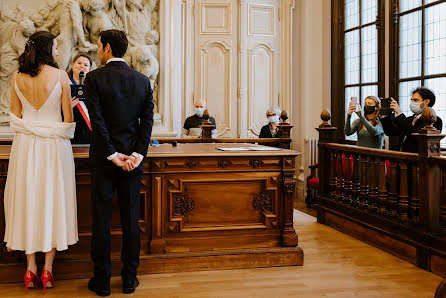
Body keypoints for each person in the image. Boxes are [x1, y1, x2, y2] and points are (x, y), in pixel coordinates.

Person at [3, 31, 77, 293]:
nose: (58, 52)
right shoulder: (61, 77)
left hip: (25, 147)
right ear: (47, 49)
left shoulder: (16, 76)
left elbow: (16, 116)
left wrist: (34, 127)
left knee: (28, 201)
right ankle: (48, 269)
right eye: (56, 47)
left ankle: (30, 268)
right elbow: (68, 121)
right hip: (54, 147)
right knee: (52, 202)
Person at [85, 29, 154, 296]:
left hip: (104, 161)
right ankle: (129, 279)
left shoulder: (94, 79)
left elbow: (97, 122)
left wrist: (112, 155)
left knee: (101, 221)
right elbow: (146, 123)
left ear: (108, 48)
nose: (98, 49)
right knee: (130, 221)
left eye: (99, 46)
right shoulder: (142, 81)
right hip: (132, 163)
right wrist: (136, 155)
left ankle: (102, 281)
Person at [380, 87, 443, 153]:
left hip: (419, 160)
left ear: (426, 102)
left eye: (415, 100)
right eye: (411, 100)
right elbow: (391, 131)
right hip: (403, 158)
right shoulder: (409, 119)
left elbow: (414, 134)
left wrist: (399, 113)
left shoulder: (435, 120)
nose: (412, 103)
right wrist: (385, 114)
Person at [68, 53, 93, 144]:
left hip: (87, 131)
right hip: (69, 128)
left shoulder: (92, 87)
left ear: (89, 69)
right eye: (79, 63)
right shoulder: (64, 84)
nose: (82, 66)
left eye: (86, 65)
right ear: (73, 64)